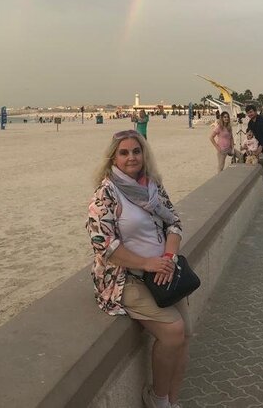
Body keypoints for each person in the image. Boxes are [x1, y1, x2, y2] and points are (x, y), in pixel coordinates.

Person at [86, 130, 189, 408]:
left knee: (185, 335)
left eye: (136, 151)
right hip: (127, 278)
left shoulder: (153, 186)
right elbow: (103, 244)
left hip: (164, 271)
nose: (131, 157)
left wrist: (168, 257)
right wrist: (146, 263)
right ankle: (157, 399)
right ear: (113, 158)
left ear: (144, 154)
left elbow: (174, 223)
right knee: (174, 331)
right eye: (124, 152)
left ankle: (171, 401)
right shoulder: (106, 194)